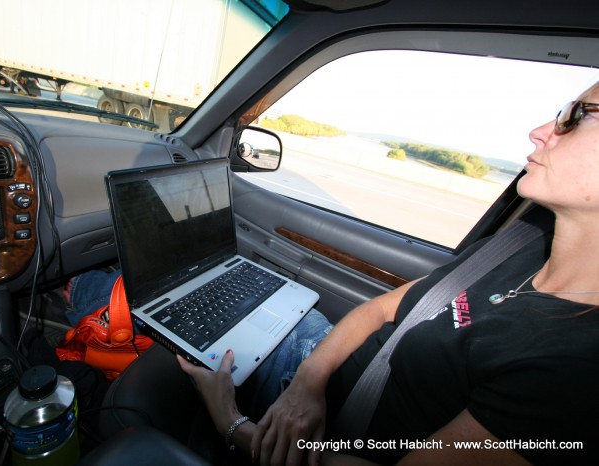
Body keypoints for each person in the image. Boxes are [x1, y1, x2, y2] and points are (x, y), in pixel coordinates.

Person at [175, 85, 599, 466]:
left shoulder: (576, 370)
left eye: (575, 117)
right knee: (204, 300)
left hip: (334, 437)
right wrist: (308, 382)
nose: (542, 130)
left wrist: (228, 420)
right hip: (319, 363)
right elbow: (383, 309)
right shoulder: (519, 246)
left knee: (157, 317)